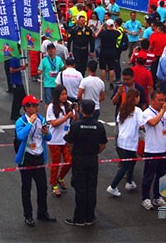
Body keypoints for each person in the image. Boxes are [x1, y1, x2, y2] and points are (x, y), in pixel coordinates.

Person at [63, 99, 107, 227]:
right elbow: (103, 144)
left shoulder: (76, 125)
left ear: (82, 110)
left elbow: (69, 143)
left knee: (80, 189)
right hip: (92, 159)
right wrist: (94, 152)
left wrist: (74, 154)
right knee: (91, 188)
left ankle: (79, 218)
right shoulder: (99, 126)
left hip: (79, 159)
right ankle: (90, 216)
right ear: (93, 111)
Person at [14, 95, 56, 227]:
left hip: (38, 156)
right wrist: (31, 122)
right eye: (33, 105)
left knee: (42, 187)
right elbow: (20, 136)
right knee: (26, 187)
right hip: (26, 158)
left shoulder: (41, 119)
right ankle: (28, 215)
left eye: (37, 105)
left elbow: (49, 137)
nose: (36, 107)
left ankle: (42, 212)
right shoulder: (21, 121)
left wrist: (45, 132)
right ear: (26, 108)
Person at [140, 91, 166, 210]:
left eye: (163, 100)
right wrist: (163, 111)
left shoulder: (163, 113)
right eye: (159, 100)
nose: (162, 102)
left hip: (163, 148)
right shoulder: (146, 113)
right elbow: (153, 122)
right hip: (152, 149)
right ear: (152, 100)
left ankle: (157, 196)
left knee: (161, 175)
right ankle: (145, 198)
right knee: (148, 175)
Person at [107, 88, 142, 198]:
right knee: (126, 164)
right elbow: (142, 125)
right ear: (135, 98)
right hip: (131, 141)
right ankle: (113, 186)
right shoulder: (137, 111)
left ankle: (130, 182)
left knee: (132, 160)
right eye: (138, 97)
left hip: (122, 140)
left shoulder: (122, 109)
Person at [46, 85, 77, 197]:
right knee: (56, 162)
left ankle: (60, 177)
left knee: (69, 160)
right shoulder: (51, 107)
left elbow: (74, 119)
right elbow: (53, 123)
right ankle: (53, 183)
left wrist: (75, 112)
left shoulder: (68, 104)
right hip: (54, 140)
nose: (64, 97)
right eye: (62, 94)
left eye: (65, 94)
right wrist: (67, 117)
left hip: (66, 139)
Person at [96, 19, 119, 89]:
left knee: (103, 68)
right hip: (112, 51)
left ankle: (102, 84)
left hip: (103, 51)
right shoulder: (115, 33)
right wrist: (114, 27)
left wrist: (100, 28)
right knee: (111, 68)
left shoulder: (103, 32)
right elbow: (119, 32)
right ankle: (111, 83)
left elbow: (96, 35)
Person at [9, 55, 28, 121]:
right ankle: (14, 114)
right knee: (17, 98)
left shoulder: (17, 58)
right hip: (15, 82)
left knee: (22, 97)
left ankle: (16, 112)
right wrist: (21, 68)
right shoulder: (14, 58)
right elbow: (11, 70)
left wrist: (23, 67)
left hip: (18, 81)